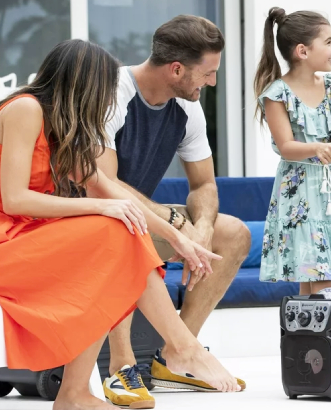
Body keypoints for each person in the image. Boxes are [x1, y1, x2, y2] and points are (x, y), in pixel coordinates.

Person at [0, 39, 241, 410]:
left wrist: (180, 239)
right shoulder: (25, 109)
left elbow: (110, 189)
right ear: (80, 84)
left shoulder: (64, 125)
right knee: (111, 228)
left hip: (30, 234)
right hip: (9, 238)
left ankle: (77, 394)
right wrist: (101, 207)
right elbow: (14, 199)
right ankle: (177, 349)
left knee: (119, 232)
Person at [95, 15, 250, 406]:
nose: (212, 82)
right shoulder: (112, 92)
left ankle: (175, 356)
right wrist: (176, 225)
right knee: (127, 230)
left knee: (232, 233)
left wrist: (200, 227)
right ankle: (122, 367)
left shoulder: (187, 105)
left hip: (143, 218)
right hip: (96, 218)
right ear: (176, 69)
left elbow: (204, 185)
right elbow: (106, 184)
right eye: (209, 73)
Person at [253, 7, 331, 294]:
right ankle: (321, 334)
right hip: (297, 193)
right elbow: (287, 147)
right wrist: (318, 147)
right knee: (317, 272)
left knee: (317, 274)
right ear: (302, 51)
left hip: (325, 193)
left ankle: (310, 336)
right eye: (328, 42)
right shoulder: (277, 94)